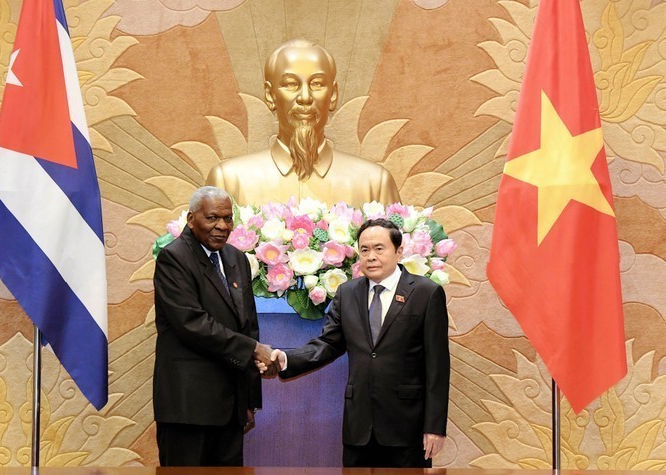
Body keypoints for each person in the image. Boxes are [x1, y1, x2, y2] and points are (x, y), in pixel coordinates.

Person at [258, 218, 449, 468]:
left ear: (399, 251)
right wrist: (286, 358)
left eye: (379, 249)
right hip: (359, 426)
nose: (371, 256)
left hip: (406, 427)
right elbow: (327, 343)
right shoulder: (348, 293)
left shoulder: (426, 293)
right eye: (365, 249)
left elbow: (438, 366)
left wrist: (434, 428)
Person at [153, 186, 274, 466]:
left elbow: (248, 326)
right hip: (188, 407)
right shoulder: (174, 258)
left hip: (230, 409)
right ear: (191, 218)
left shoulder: (237, 259)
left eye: (228, 218)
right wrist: (254, 350)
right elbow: (192, 323)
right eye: (212, 218)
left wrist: (249, 398)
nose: (222, 226)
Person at [206, 39, 401, 207]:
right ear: (270, 95)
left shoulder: (375, 184)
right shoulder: (229, 181)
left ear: (332, 95)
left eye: (317, 84)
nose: (305, 97)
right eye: (291, 84)